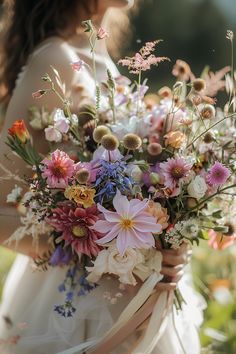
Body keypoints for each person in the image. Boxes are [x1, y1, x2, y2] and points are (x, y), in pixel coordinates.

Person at [0, 1, 204, 353]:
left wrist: (170, 244)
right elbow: (3, 219)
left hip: (138, 295)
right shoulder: (53, 59)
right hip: (76, 310)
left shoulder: (98, 55)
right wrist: (114, 250)